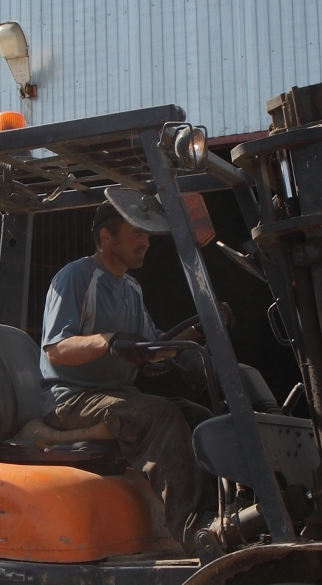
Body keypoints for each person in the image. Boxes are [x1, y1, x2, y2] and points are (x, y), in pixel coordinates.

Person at [38, 200, 214, 548]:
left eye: (147, 233)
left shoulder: (132, 289)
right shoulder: (76, 277)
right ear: (106, 236)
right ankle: (197, 533)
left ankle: (224, 514)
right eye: (137, 231)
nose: (146, 240)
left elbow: (148, 350)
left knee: (199, 417)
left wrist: (193, 335)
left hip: (117, 396)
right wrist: (109, 342)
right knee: (160, 416)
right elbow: (56, 349)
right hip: (70, 398)